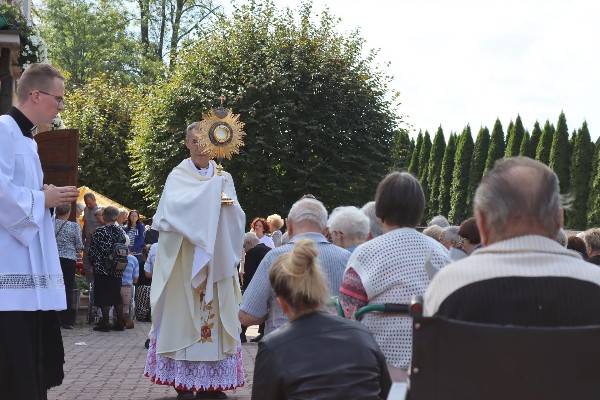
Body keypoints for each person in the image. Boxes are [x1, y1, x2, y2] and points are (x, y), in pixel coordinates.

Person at [424, 157, 600, 326]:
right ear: (559, 220)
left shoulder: (447, 286)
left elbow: (429, 353)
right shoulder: (595, 283)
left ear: (482, 225)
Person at [144, 122, 245, 400]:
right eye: (194, 140)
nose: (200, 145)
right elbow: (171, 212)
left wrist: (224, 204)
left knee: (216, 319)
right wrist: (211, 195)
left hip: (217, 261)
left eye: (205, 140)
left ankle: (213, 384)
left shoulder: (225, 177)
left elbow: (236, 217)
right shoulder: (178, 175)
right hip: (184, 261)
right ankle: (184, 382)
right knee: (183, 318)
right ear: (187, 143)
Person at [0, 63, 79, 400]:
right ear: (35, 94)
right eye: (57, 99)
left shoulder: (27, 140)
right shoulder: (3, 130)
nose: (60, 106)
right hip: (10, 265)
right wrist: (40, 198)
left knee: (30, 358)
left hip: (27, 266)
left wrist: (44, 196)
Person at [338, 172, 450, 381]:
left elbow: (347, 315)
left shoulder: (364, 254)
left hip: (377, 371)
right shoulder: (442, 253)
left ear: (379, 212)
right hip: (432, 368)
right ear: (420, 211)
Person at [252, 239, 391, 400]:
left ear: (282, 303)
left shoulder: (273, 346)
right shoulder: (362, 334)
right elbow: (386, 392)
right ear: (321, 290)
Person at [239, 197, 351, 336]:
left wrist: (273, 309)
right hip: (335, 348)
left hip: (282, 349)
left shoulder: (274, 257)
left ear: (289, 225)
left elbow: (247, 315)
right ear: (326, 230)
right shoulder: (347, 259)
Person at [88, 206, 128, 332]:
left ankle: (105, 323)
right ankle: (119, 323)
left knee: (103, 295)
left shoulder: (99, 231)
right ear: (116, 217)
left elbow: (92, 251)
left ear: (104, 216)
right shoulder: (120, 231)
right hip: (117, 267)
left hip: (102, 267)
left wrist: (93, 264)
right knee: (116, 295)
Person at [54, 204, 84, 329]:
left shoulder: (50, 224)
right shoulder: (73, 226)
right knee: (67, 288)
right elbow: (79, 245)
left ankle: (53, 318)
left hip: (53, 259)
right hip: (68, 260)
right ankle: (66, 320)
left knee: (54, 287)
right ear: (68, 212)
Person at [240, 232, 271, 343]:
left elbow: (249, 273)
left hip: (258, 285)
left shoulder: (252, 252)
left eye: (244, 246)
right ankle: (262, 333)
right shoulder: (268, 250)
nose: (244, 250)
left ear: (249, 243)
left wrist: (244, 288)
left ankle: (242, 334)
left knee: (247, 308)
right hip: (270, 284)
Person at [82, 192, 101, 283]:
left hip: (97, 241)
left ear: (94, 201)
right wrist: (82, 238)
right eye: (86, 203)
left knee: (94, 262)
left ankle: (94, 284)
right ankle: (88, 283)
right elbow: (85, 225)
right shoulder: (85, 209)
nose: (88, 205)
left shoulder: (100, 211)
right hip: (88, 241)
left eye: (90, 203)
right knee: (86, 262)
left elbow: (104, 224)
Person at [135, 244, 153, 322]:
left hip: (142, 288)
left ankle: (144, 314)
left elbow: (137, 278)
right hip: (152, 288)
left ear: (143, 254)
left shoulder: (141, 264)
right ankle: (149, 313)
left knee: (140, 314)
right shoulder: (154, 264)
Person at [121, 252, 139, 328]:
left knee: (115, 306)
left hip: (114, 286)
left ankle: (117, 322)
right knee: (125, 308)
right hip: (127, 287)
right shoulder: (133, 259)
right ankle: (126, 322)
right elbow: (135, 280)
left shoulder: (113, 256)